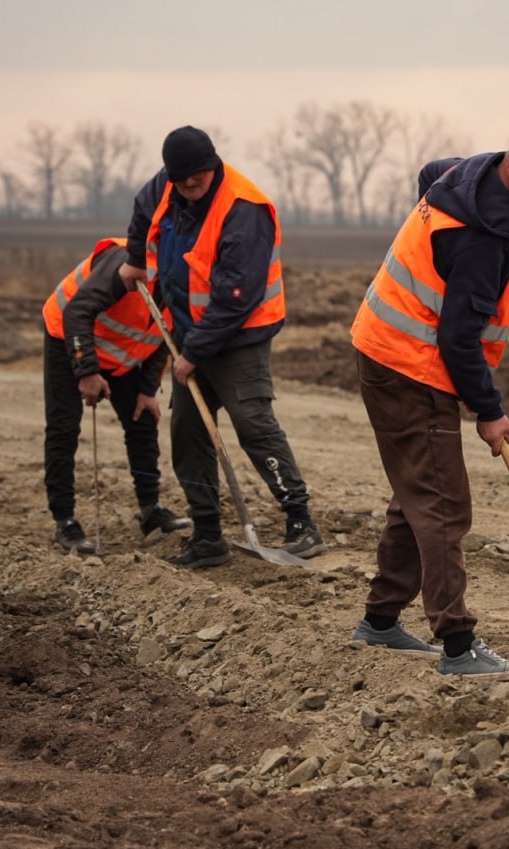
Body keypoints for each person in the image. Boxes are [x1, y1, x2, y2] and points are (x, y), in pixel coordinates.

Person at [348, 121, 509, 678]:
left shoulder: (463, 175)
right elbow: (459, 337)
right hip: (410, 364)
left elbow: (430, 173)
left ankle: (380, 622)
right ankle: (458, 645)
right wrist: (488, 410)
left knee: (416, 495)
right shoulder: (485, 237)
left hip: (387, 349)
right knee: (443, 505)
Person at [117, 126, 326, 569]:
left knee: (253, 423)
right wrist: (136, 259)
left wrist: (193, 353)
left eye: (198, 179)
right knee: (188, 433)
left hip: (238, 336)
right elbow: (142, 209)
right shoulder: (168, 186)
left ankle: (301, 524)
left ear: (213, 165)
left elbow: (236, 295)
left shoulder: (243, 210)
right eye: (182, 182)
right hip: (188, 334)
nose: (190, 188)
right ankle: (209, 536)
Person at [41, 237, 192, 553]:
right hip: (68, 339)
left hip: (120, 355)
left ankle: (151, 510)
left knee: (142, 420)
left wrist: (148, 391)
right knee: (64, 428)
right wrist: (86, 371)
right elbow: (76, 312)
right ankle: (65, 521)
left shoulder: (187, 285)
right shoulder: (126, 262)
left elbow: (163, 337)